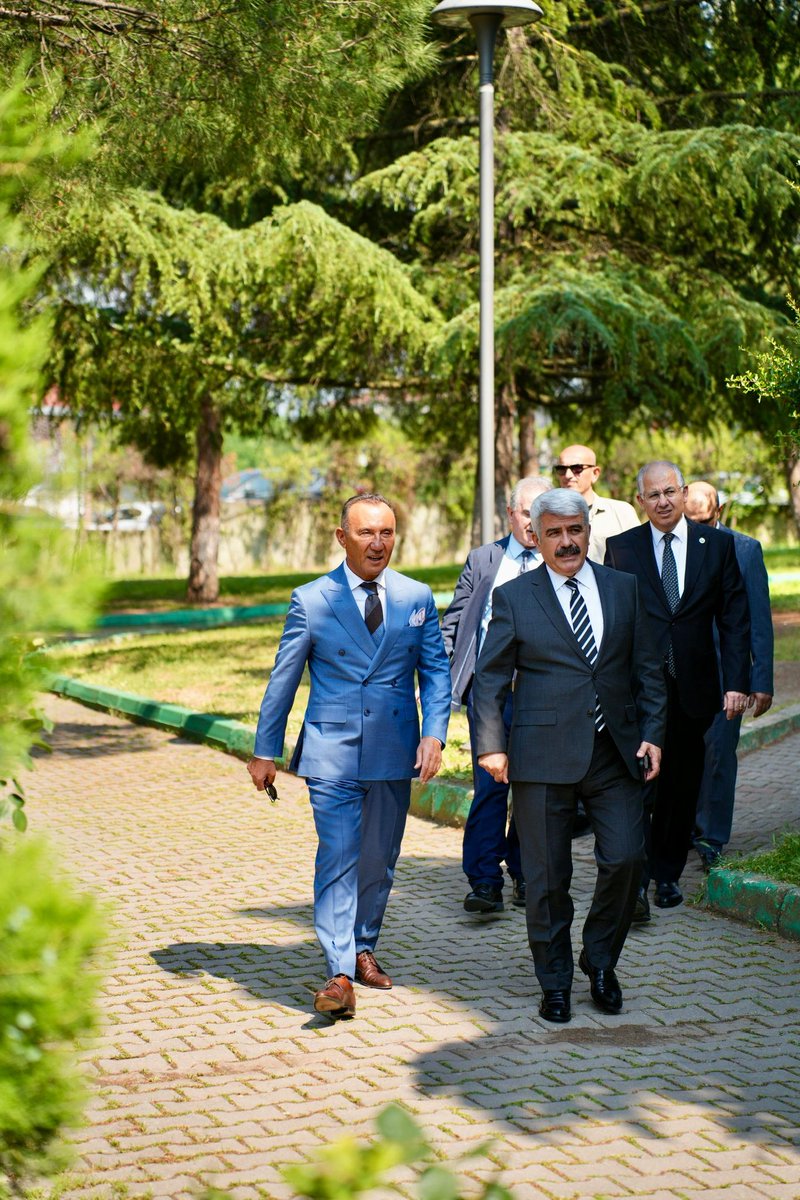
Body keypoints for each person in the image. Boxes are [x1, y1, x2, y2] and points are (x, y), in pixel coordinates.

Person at [247, 493, 451, 1020]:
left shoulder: (416, 596)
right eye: (366, 533)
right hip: (331, 751)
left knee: (378, 861)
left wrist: (435, 735)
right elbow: (284, 679)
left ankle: (363, 946)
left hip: (394, 748)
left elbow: (435, 672)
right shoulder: (312, 600)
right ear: (342, 538)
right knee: (338, 855)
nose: (377, 543)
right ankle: (338, 972)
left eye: (386, 532)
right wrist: (264, 750)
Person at [473, 489, 665, 1024]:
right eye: (553, 532)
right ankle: (554, 981)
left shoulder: (624, 589)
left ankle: (600, 962)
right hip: (540, 756)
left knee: (627, 859)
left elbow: (647, 669)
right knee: (546, 878)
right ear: (535, 535)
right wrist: (490, 745)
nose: (566, 541)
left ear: (587, 530)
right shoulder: (515, 597)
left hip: (615, 753)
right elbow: (490, 678)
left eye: (574, 530)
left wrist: (653, 733)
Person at [604, 462, 751, 919]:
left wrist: (738, 683)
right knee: (639, 784)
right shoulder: (620, 548)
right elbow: (612, 619)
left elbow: (733, 618)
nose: (664, 501)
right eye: (654, 495)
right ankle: (638, 881)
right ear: (640, 502)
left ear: (685, 494)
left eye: (671, 491)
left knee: (681, 786)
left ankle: (666, 874)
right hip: (638, 688)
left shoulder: (717, 545)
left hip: (696, 686)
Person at [441, 475, 552, 915]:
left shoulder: (561, 559)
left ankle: (525, 873)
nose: (533, 522)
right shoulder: (485, 560)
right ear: (511, 514)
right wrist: (437, 684)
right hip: (490, 694)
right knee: (489, 786)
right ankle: (484, 880)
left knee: (533, 788)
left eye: (541, 513)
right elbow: (454, 624)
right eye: (527, 512)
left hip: (541, 695)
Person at [684, 481, 774, 869]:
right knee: (684, 756)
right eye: (690, 520)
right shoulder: (671, 547)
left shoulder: (745, 549)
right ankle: (684, 828)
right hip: (683, 673)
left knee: (719, 755)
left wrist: (762, 681)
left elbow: (759, 619)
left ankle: (711, 838)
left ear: (718, 512)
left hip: (728, 675)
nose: (697, 527)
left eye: (703, 519)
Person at [554, 444, 639, 562]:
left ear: (595, 473)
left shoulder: (621, 513)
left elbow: (640, 556)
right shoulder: (550, 516)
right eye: (561, 469)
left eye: (577, 469)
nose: (568, 475)